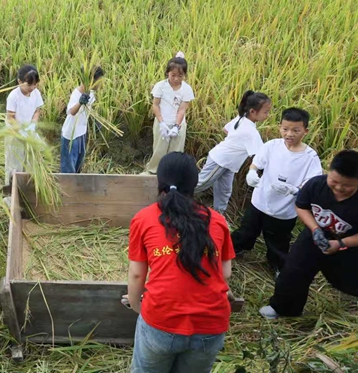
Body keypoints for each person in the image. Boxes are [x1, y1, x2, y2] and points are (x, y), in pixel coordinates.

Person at [127, 152, 234, 373]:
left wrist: (137, 304)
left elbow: (137, 274)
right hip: (211, 324)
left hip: (161, 319)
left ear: (160, 182)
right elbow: (225, 273)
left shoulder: (144, 218)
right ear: (195, 183)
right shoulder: (217, 220)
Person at [261, 150, 358, 320]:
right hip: (314, 236)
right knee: (293, 271)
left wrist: (339, 244)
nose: (339, 188)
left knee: (348, 284)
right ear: (328, 170)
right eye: (334, 181)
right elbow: (301, 207)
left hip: (347, 246)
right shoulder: (315, 185)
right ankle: (284, 309)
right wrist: (315, 229)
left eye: (347, 185)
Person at [230, 108, 321, 273]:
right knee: (246, 231)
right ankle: (232, 250)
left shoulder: (310, 157)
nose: (289, 134)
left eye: (295, 130)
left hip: (284, 209)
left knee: (278, 242)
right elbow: (257, 162)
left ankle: (278, 266)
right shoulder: (272, 146)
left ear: (305, 131)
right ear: (280, 127)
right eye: (285, 129)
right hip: (260, 201)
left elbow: (312, 182)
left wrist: (295, 190)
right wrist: (252, 172)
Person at [195, 91, 272, 213]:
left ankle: (218, 216)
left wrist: (236, 141)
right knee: (201, 183)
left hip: (230, 165)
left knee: (224, 192)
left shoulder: (241, 118)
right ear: (253, 111)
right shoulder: (251, 132)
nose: (267, 115)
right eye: (266, 112)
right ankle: (172, 197)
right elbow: (260, 155)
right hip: (220, 160)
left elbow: (226, 129)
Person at [145, 52, 194, 174]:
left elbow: (182, 109)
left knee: (176, 151)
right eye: (173, 75)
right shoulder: (160, 86)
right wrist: (162, 123)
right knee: (159, 149)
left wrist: (177, 127)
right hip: (162, 122)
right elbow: (155, 105)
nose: (176, 79)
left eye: (180, 76)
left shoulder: (187, 89)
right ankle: (154, 171)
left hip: (178, 124)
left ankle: (172, 174)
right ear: (168, 72)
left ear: (184, 75)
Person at [5, 64, 43, 185]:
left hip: (29, 132)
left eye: (35, 84)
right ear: (19, 81)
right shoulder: (13, 96)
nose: (32, 87)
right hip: (15, 134)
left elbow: (37, 110)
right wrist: (20, 132)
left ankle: (27, 187)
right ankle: (12, 191)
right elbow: (10, 117)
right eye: (29, 84)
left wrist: (33, 125)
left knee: (31, 162)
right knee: (15, 164)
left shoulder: (36, 93)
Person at [60, 66, 103, 174]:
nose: (100, 84)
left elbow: (88, 110)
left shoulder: (91, 94)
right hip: (71, 135)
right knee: (69, 168)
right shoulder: (77, 93)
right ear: (90, 80)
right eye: (98, 81)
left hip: (81, 133)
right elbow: (71, 112)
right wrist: (80, 102)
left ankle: (76, 186)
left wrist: (95, 120)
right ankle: (68, 188)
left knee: (78, 163)